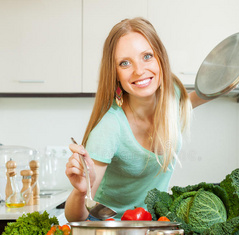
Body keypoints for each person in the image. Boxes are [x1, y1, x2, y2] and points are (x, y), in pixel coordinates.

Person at [65, 17, 209, 222]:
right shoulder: (110, 128)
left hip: (154, 224)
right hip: (110, 229)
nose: (139, 70)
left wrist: (219, 83)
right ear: (115, 74)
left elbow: (186, 103)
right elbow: (76, 217)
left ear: (160, 58)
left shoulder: (171, 96)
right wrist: (80, 192)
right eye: (125, 63)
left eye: (147, 56)